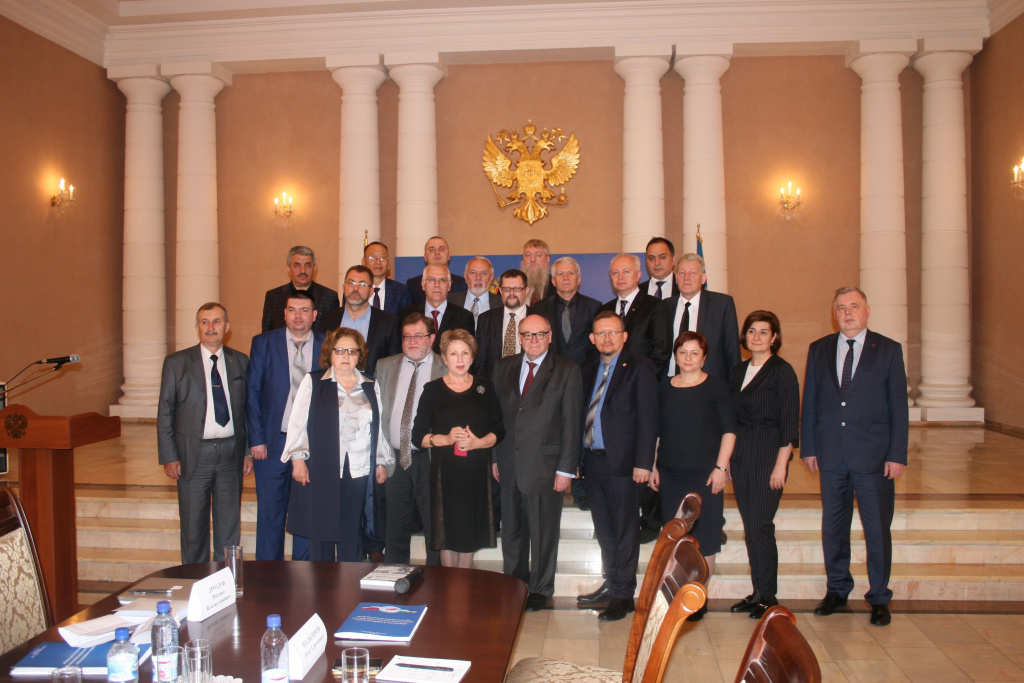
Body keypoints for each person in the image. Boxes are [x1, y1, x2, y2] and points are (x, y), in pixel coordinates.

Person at [801, 286, 908, 627]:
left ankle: (879, 597)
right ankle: (837, 591)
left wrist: (897, 454)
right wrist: (809, 447)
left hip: (874, 457)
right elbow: (810, 401)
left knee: (876, 530)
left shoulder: (888, 350)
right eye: (841, 308)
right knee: (834, 528)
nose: (847, 313)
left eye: (854, 306)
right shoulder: (819, 349)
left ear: (867, 311)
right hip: (831, 454)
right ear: (834, 314)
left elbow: (899, 407)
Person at [492, 314, 583, 612]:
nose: (533, 340)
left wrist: (565, 469)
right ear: (518, 338)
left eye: (540, 334)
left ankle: (541, 589)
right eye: (527, 335)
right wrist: (495, 458)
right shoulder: (503, 367)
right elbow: (496, 418)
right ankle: (515, 584)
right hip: (508, 463)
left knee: (543, 534)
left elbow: (571, 422)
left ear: (550, 336)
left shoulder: (567, 370)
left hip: (546, 467)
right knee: (512, 533)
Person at [280, 328, 395, 562]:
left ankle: (349, 581)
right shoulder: (314, 382)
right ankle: (322, 582)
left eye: (352, 351)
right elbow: (297, 422)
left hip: (359, 469)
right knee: (321, 531)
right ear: (330, 353)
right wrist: (298, 458)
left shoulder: (370, 384)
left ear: (359, 355)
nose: (345, 356)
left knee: (351, 532)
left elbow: (378, 428)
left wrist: (381, 462)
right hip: (322, 468)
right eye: (340, 350)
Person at [575, 312, 658, 621]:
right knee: (605, 529)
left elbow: (649, 418)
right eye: (601, 333)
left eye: (613, 332)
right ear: (592, 338)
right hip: (593, 461)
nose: (607, 338)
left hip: (624, 464)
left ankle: (623, 595)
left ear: (625, 336)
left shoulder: (640, 366)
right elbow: (580, 415)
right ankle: (611, 583)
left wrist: (644, 463)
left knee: (624, 530)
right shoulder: (586, 368)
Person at [158, 302, 253, 564]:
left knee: (228, 528)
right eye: (205, 322)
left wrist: (247, 451)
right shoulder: (176, 363)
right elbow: (165, 412)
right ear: (197, 327)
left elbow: (249, 410)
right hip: (193, 455)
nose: (211, 327)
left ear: (227, 327)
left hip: (230, 454)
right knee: (193, 528)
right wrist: (169, 456)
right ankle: (195, 580)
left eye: (217, 321)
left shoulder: (240, 361)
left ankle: (226, 580)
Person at [650, 331, 736, 619]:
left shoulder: (716, 387)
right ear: (675, 356)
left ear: (704, 357)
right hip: (670, 475)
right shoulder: (664, 387)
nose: (688, 358)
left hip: (705, 476)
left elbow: (729, 431)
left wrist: (721, 468)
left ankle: (698, 598)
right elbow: (657, 432)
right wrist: (653, 464)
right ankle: (677, 594)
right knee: (675, 538)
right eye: (683, 352)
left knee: (706, 538)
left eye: (694, 353)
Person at [728, 310, 800, 619]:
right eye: (751, 331)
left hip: (768, 456)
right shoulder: (738, 370)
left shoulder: (782, 371)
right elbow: (730, 419)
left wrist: (781, 465)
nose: (756, 336)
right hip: (742, 456)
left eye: (763, 332)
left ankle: (768, 596)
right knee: (751, 527)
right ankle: (757, 592)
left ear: (774, 338)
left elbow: (790, 423)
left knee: (760, 527)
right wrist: (727, 461)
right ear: (744, 336)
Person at [412, 329, 505, 568]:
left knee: (470, 533)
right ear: (444, 358)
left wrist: (478, 443)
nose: (460, 359)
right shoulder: (432, 390)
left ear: (472, 357)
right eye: (453, 353)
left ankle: (465, 580)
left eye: (465, 353)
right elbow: (417, 436)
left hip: (476, 473)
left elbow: (498, 429)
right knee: (447, 534)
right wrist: (445, 438)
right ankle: (449, 583)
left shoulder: (485, 388)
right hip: (445, 475)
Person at [245, 290, 324, 561]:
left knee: (306, 512)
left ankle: (303, 573)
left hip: (312, 443)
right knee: (270, 513)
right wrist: (256, 439)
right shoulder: (264, 343)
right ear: (284, 314)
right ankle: (269, 573)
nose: (298, 316)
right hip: (272, 441)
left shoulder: (328, 345)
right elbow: (252, 393)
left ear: (314, 315)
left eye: (304, 310)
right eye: (292, 310)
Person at [376, 313, 446, 566]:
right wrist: (379, 459)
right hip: (393, 457)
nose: (412, 341)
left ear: (432, 338)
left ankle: (436, 579)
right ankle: (394, 575)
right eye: (407, 336)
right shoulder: (385, 366)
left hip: (430, 459)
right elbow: (376, 414)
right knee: (395, 524)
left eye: (418, 336)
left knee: (434, 525)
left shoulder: (446, 366)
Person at [657, 253, 740, 381]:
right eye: (682, 273)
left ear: (703, 278)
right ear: (676, 278)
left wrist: (734, 387)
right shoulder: (664, 306)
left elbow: (732, 351)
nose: (686, 277)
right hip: (670, 382)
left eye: (692, 273)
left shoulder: (722, 305)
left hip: (709, 383)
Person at [320, 265, 401, 377]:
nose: (355, 289)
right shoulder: (327, 319)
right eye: (351, 283)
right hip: (332, 384)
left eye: (362, 284)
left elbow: (394, 366)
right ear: (344, 287)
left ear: (371, 291)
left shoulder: (389, 323)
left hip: (372, 385)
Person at [598, 254, 668, 375]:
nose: (620, 277)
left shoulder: (655, 306)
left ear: (638, 275)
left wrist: (644, 378)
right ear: (610, 277)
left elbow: (661, 352)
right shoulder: (604, 310)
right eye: (615, 273)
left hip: (642, 379)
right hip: (609, 379)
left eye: (626, 272)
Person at [534, 256, 600, 366]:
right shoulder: (540, 308)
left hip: (584, 369)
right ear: (553, 281)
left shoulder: (593, 307)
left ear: (578, 279)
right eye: (560, 274)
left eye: (570, 273)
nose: (565, 277)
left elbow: (596, 344)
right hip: (551, 369)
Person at [261, 246, 339, 333]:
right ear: (289, 269)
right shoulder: (273, 297)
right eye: (297, 265)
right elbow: (266, 335)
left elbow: (333, 336)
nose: (303, 271)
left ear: (314, 268)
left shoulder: (330, 298)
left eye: (307, 265)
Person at [400, 265, 475, 355]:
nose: (437, 284)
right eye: (432, 279)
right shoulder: (406, 314)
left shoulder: (464, 317)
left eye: (442, 280)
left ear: (449, 286)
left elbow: (468, 354)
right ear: (423, 284)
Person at [472, 269, 531, 378]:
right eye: (506, 289)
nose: (511, 293)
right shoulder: (486, 319)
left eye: (517, 289)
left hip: (529, 382)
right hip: (495, 383)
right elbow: (480, 361)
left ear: (526, 290)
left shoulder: (540, 319)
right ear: (500, 291)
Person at [406, 236, 468, 304]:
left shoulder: (463, 284)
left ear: (448, 255)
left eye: (442, 249)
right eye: (432, 250)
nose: (437, 252)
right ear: (425, 257)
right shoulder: (412, 285)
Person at [448, 256, 501, 330]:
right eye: (473, 273)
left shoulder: (502, 304)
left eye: (483, 273)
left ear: (491, 278)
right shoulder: (449, 302)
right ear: (465, 277)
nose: (478, 277)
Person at [362, 241, 412, 316]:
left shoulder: (401, 291)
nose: (378, 262)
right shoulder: (356, 289)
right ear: (363, 262)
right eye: (372, 257)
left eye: (382, 258)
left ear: (388, 264)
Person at [521, 239, 552, 304]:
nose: (532, 260)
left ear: (547, 259)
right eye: (528, 255)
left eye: (538, 255)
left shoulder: (556, 286)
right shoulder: (513, 287)